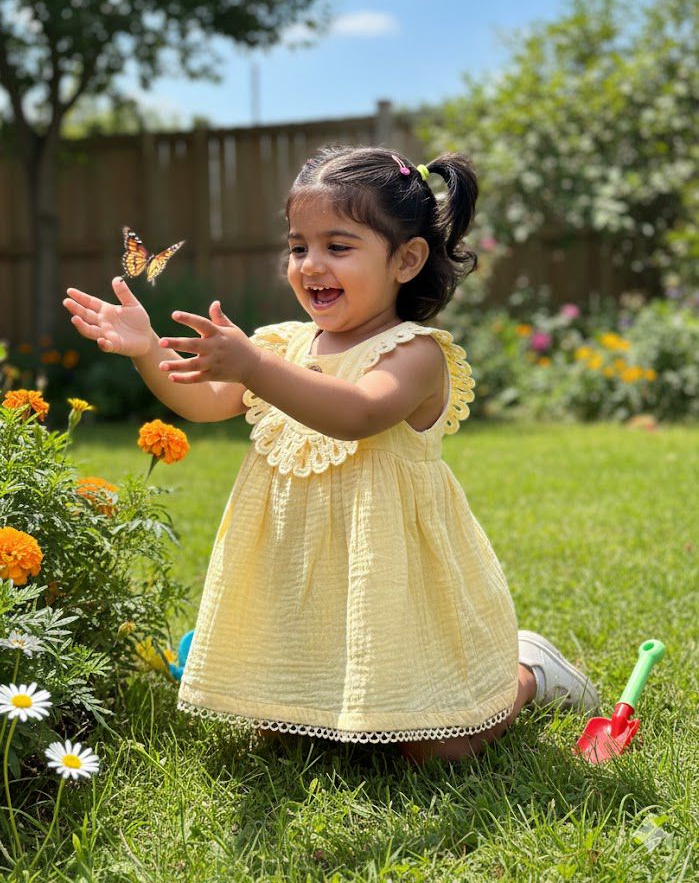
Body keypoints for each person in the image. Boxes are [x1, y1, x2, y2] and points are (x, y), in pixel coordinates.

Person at [63, 144, 599, 766]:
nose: (311, 264)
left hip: (392, 581)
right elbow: (204, 402)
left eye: (338, 247)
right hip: (302, 581)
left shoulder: (415, 354)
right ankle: (324, 704)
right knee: (283, 737)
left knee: (436, 751)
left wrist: (255, 367)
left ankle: (529, 671)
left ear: (407, 260)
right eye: (299, 247)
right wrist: (148, 350)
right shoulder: (282, 345)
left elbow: (358, 414)